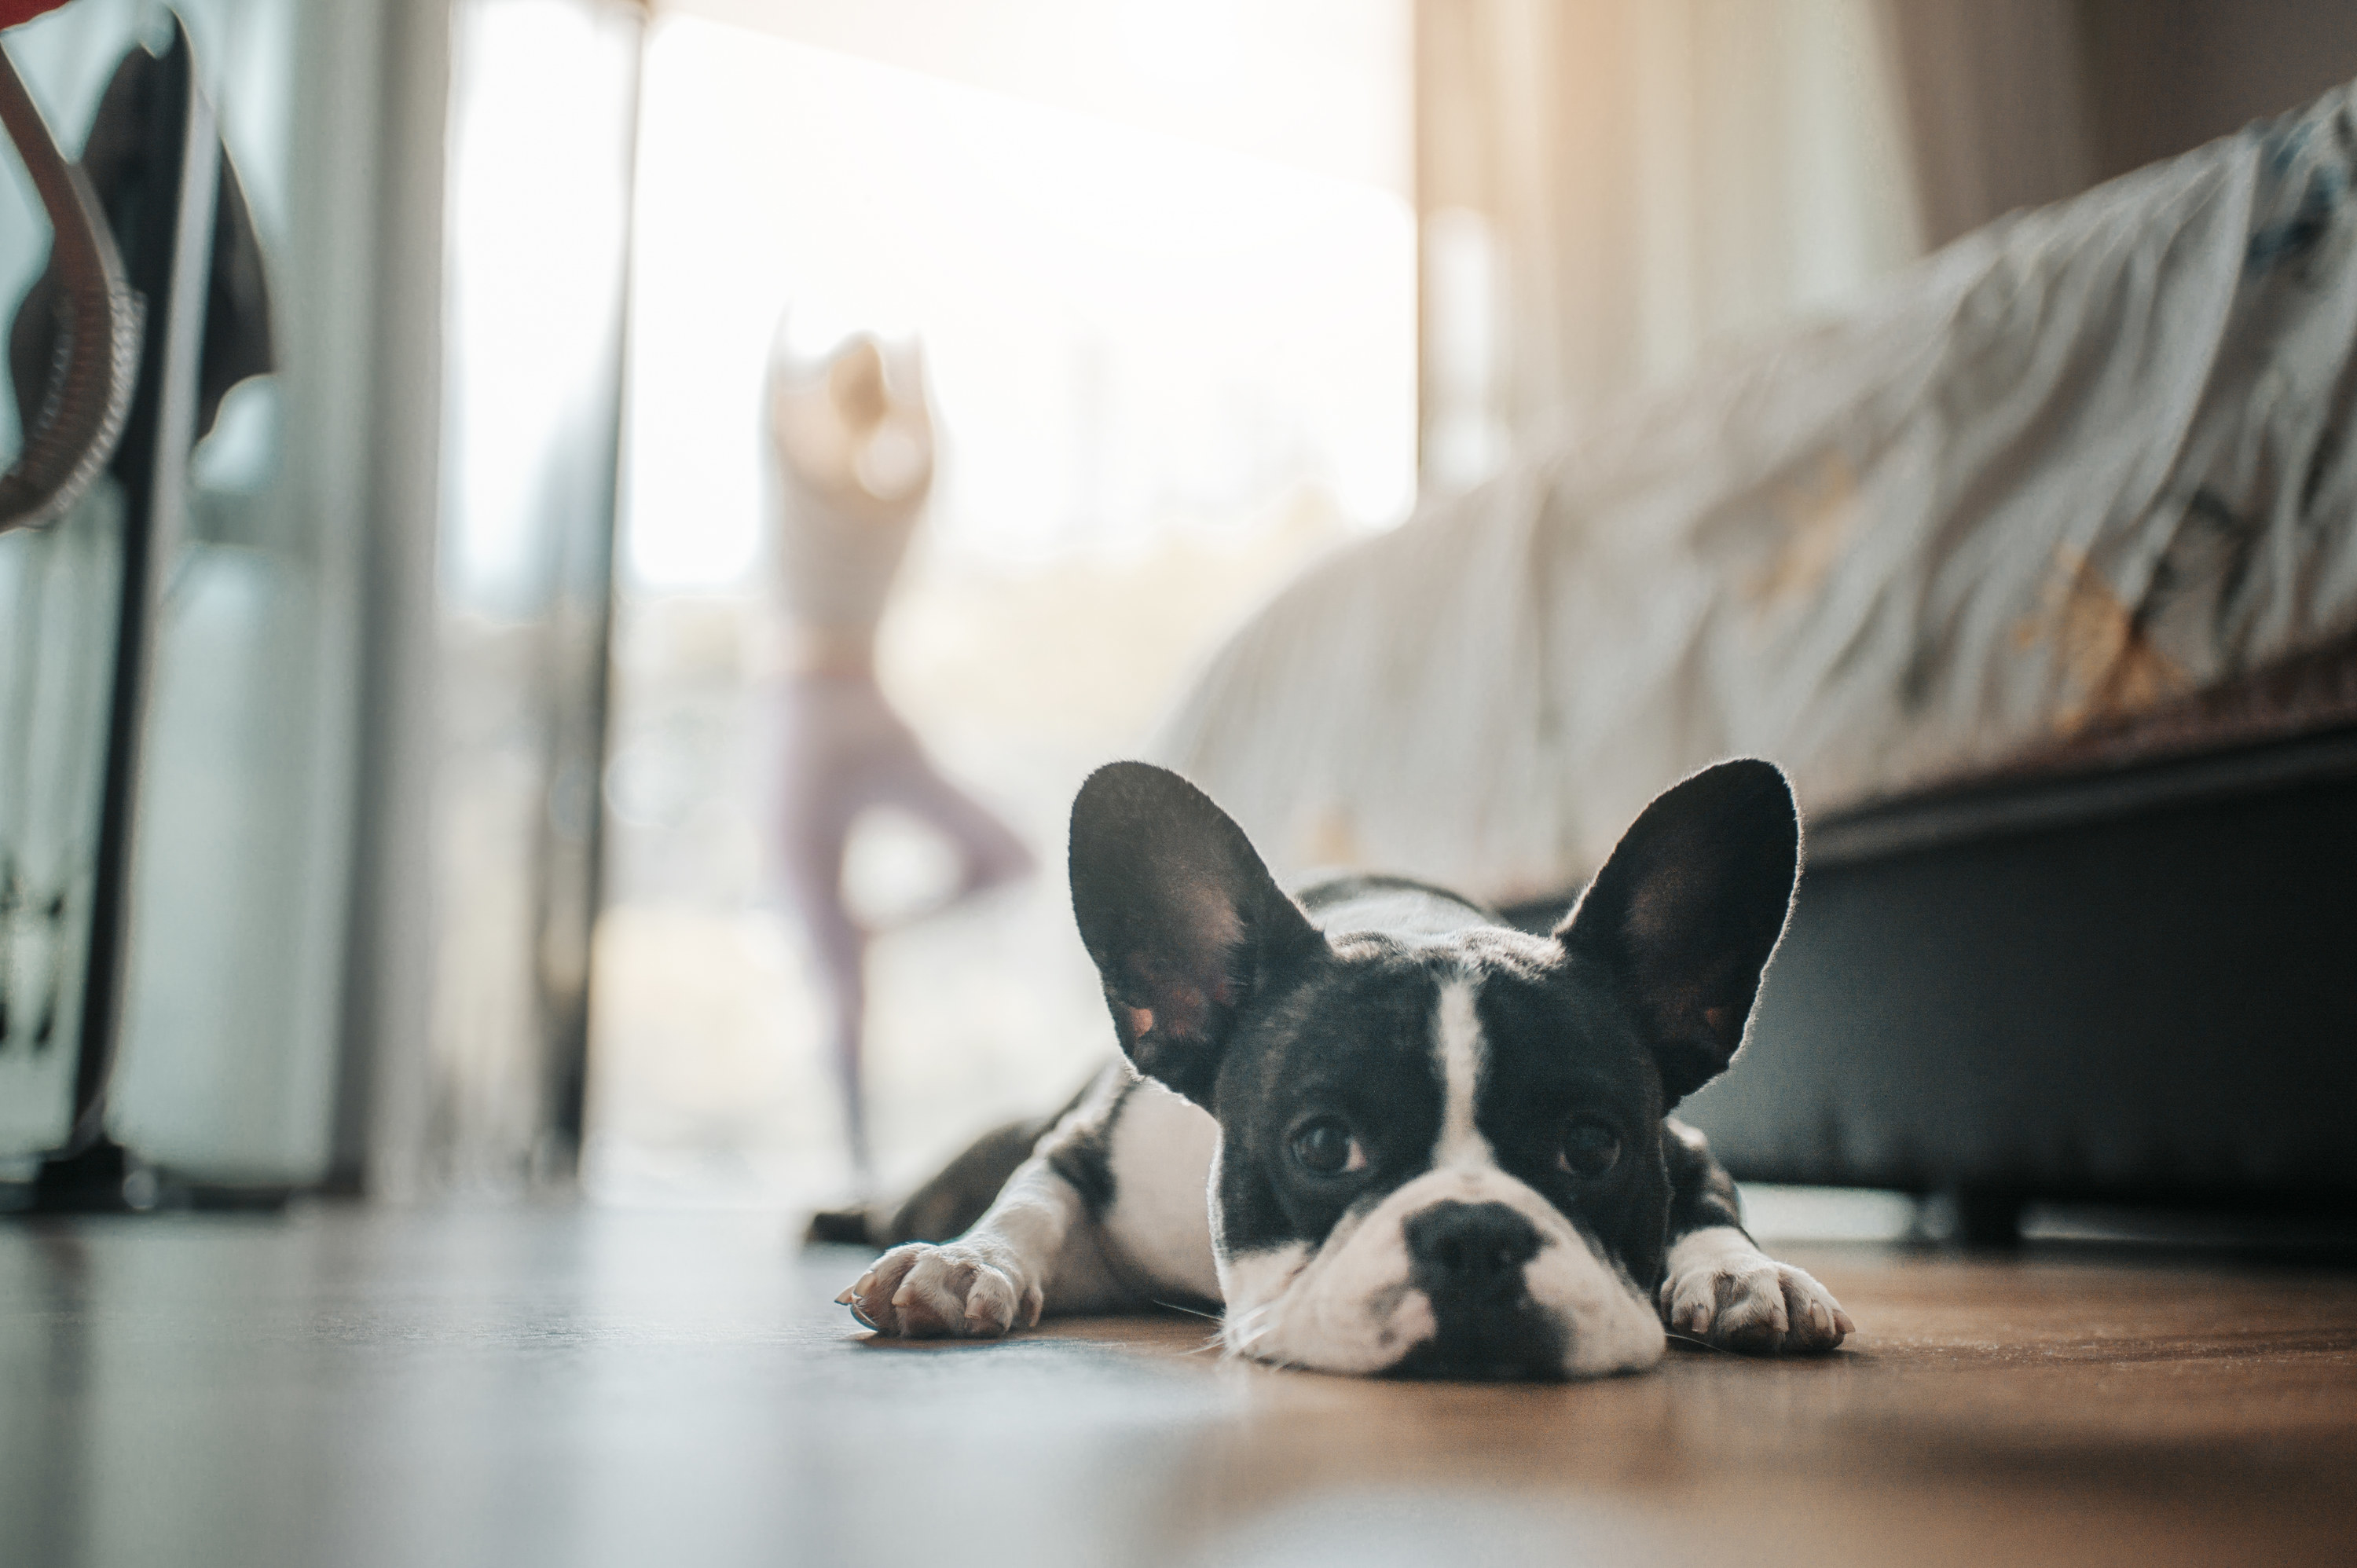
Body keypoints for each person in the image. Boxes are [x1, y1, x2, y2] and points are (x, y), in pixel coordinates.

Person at [763, 322, 1031, 1187]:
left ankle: (856, 1162)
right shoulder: (885, 502)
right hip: (871, 709)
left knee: (828, 954)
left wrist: (787, 333)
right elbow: (929, 456)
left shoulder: (808, 491)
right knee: (1007, 856)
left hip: (807, 719)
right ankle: (873, 933)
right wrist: (914, 382)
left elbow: (776, 418)